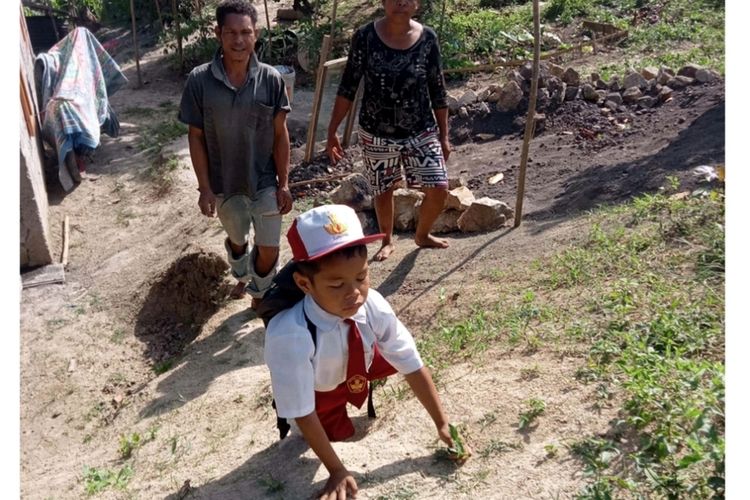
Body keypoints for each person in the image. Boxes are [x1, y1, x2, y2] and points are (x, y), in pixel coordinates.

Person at [264, 204, 459, 499]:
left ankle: (356, 375)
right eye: (337, 284)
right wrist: (337, 470)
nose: (354, 292)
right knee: (331, 433)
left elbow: (409, 360)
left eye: (361, 277)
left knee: (386, 349)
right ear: (305, 284)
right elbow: (302, 409)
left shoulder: (372, 304)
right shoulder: (291, 336)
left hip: (361, 360)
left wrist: (442, 423)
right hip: (320, 387)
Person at [178, 0, 293, 305]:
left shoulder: (271, 79)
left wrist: (284, 183)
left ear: (256, 34)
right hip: (224, 183)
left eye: (246, 32)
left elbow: (281, 136)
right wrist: (204, 188)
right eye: (231, 32)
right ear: (218, 33)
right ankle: (242, 275)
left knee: (269, 246)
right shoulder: (199, 81)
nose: (239, 40)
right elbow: (196, 137)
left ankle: (258, 293)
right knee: (238, 241)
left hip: (265, 180)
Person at [326, 0, 451, 262]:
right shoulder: (365, 37)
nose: (401, 2)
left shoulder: (428, 38)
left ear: (416, 4)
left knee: (439, 188)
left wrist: (444, 134)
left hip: (421, 129)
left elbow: (437, 88)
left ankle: (422, 235)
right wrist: (332, 130)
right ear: (383, 2)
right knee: (383, 190)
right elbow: (349, 85)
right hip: (376, 131)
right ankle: (386, 240)